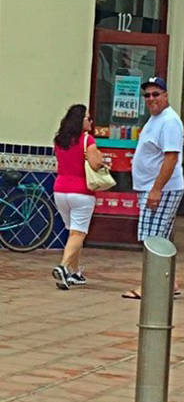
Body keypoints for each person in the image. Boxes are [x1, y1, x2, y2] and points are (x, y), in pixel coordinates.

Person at [122, 76, 184, 299]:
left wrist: (156, 189)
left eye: (156, 94)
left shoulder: (169, 121)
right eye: (147, 95)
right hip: (151, 187)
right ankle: (171, 282)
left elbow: (170, 158)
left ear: (166, 96)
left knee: (153, 240)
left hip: (161, 188)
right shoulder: (154, 120)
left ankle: (150, 286)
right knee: (161, 238)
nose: (151, 99)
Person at [52, 104, 106, 290]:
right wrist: (100, 157)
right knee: (78, 233)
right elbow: (96, 164)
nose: (90, 121)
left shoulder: (59, 140)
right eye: (88, 118)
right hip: (82, 192)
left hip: (60, 191)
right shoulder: (87, 140)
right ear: (80, 120)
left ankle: (75, 273)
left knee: (73, 232)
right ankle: (63, 267)